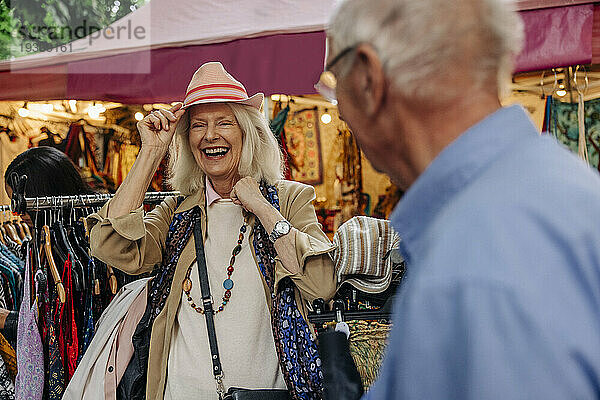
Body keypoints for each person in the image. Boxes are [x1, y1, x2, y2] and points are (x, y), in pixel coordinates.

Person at [321, 0, 600, 398]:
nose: (339, 108)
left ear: (368, 78)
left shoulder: (473, 265)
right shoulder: (562, 188)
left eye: (333, 79)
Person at [87, 62, 336, 399]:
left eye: (224, 123)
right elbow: (110, 245)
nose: (210, 135)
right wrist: (151, 152)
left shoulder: (290, 200)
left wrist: (263, 208)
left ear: (247, 132)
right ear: (188, 140)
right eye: (198, 125)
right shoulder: (178, 212)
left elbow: (321, 284)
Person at [1, 146, 95, 345]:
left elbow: (67, 327)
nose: (17, 213)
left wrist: (8, 320)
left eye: (24, 204)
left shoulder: (82, 247)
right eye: (14, 203)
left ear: (48, 195)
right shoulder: (41, 244)